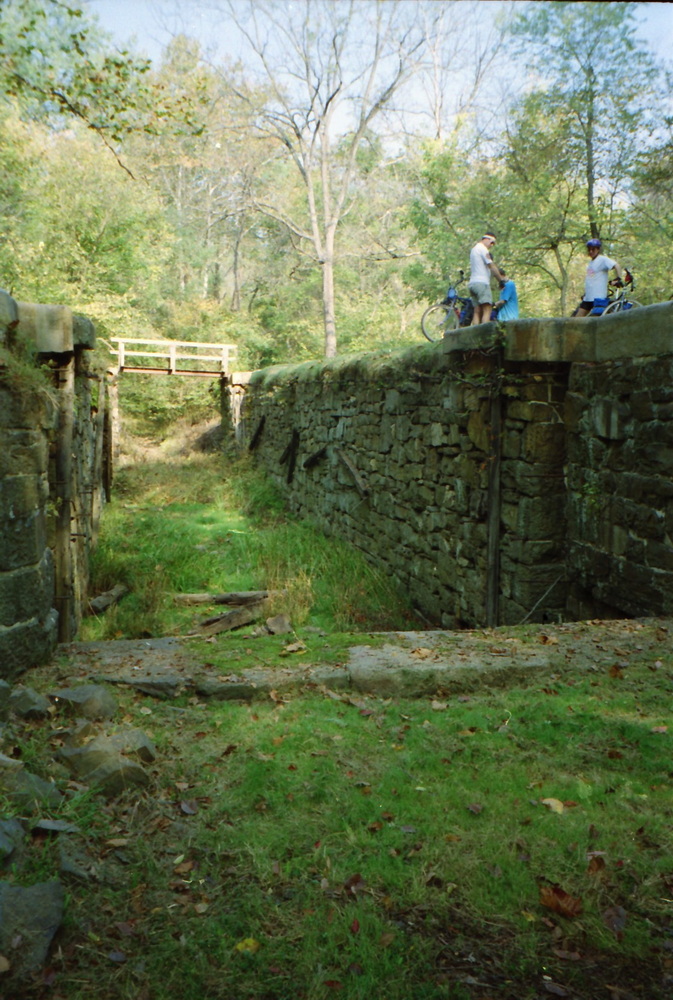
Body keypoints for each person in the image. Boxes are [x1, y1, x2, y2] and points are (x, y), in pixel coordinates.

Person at [574, 238, 623, 317]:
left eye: (593, 249)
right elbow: (592, 279)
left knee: (595, 321)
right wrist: (586, 293)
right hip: (588, 297)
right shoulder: (591, 262)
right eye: (589, 249)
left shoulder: (602, 259)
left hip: (598, 298)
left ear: (598, 249)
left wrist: (618, 278)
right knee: (577, 320)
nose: (591, 252)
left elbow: (616, 265)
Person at [468, 232, 504, 325]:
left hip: (472, 283)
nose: (492, 245)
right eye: (492, 242)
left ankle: (475, 334)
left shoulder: (474, 249)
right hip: (482, 283)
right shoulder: (483, 249)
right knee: (487, 309)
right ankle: (485, 334)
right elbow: (491, 266)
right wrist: (501, 280)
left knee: (477, 311)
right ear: (487, 239)